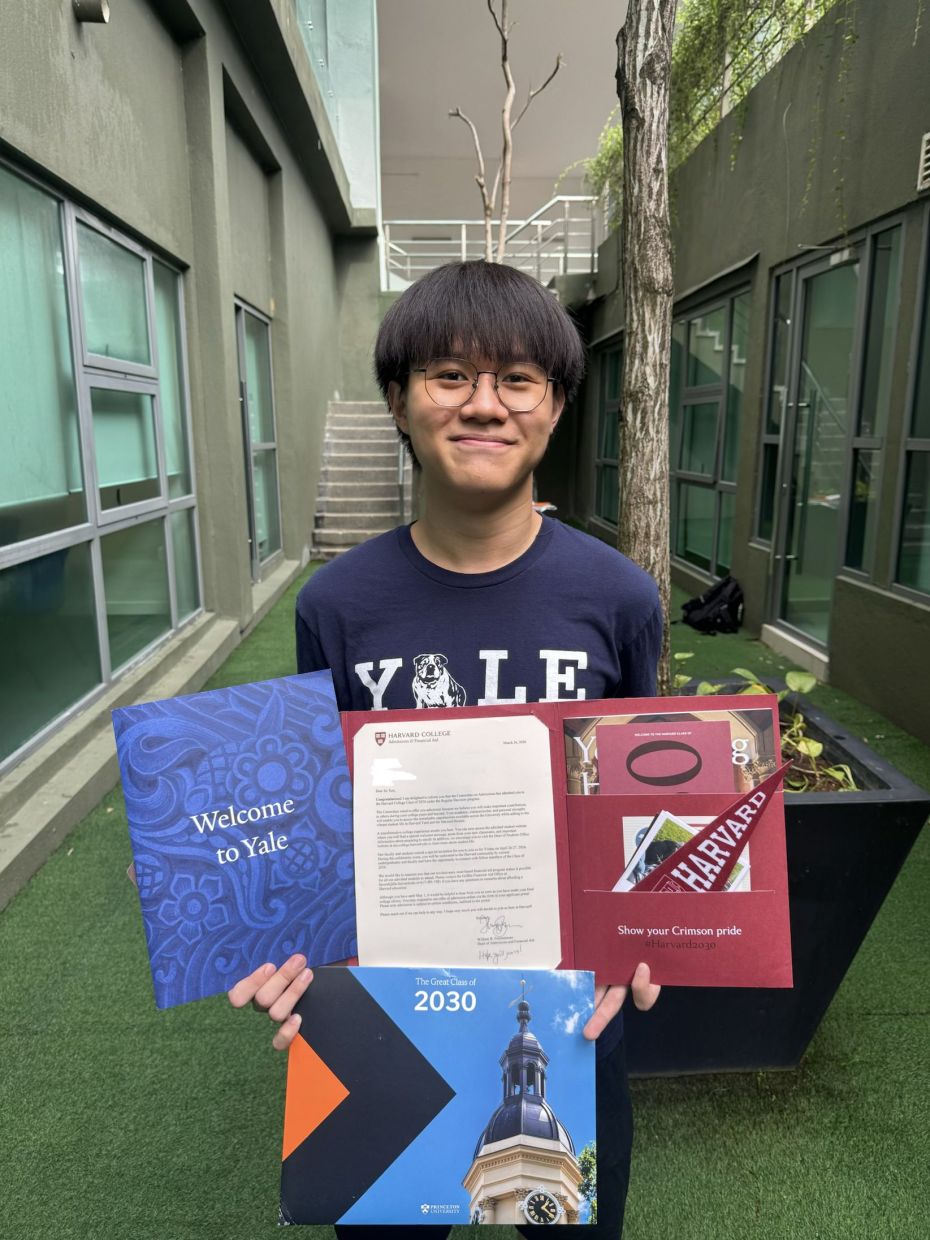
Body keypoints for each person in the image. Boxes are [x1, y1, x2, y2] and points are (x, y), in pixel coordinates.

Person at [229, 260, 663, 1237]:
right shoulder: (336, 607)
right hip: (387, 1011)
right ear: (399, 399)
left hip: (566, 1015)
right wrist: (284, 947)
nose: (484, 405)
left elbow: (634, 815)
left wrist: (647, 939)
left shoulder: (620, 600)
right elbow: (316, 818)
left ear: (554, 406)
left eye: (517, 379)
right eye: (449, 375)